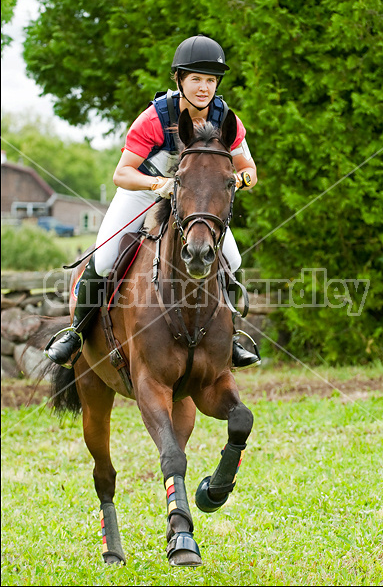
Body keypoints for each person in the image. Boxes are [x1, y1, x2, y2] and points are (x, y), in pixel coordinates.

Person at [45, 35, 261, 370]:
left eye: (211, 80)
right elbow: (122, 173)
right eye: (196, 79)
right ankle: (75, 333)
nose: (204, 88)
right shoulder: (155, 117)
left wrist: (240, 180)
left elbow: (249, 169)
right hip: (143, 193)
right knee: (103, 260)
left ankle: (231, 337)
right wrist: (159, 184)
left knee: (231, 260)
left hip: (194, 203)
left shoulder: (226, 119)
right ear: (179, 79)